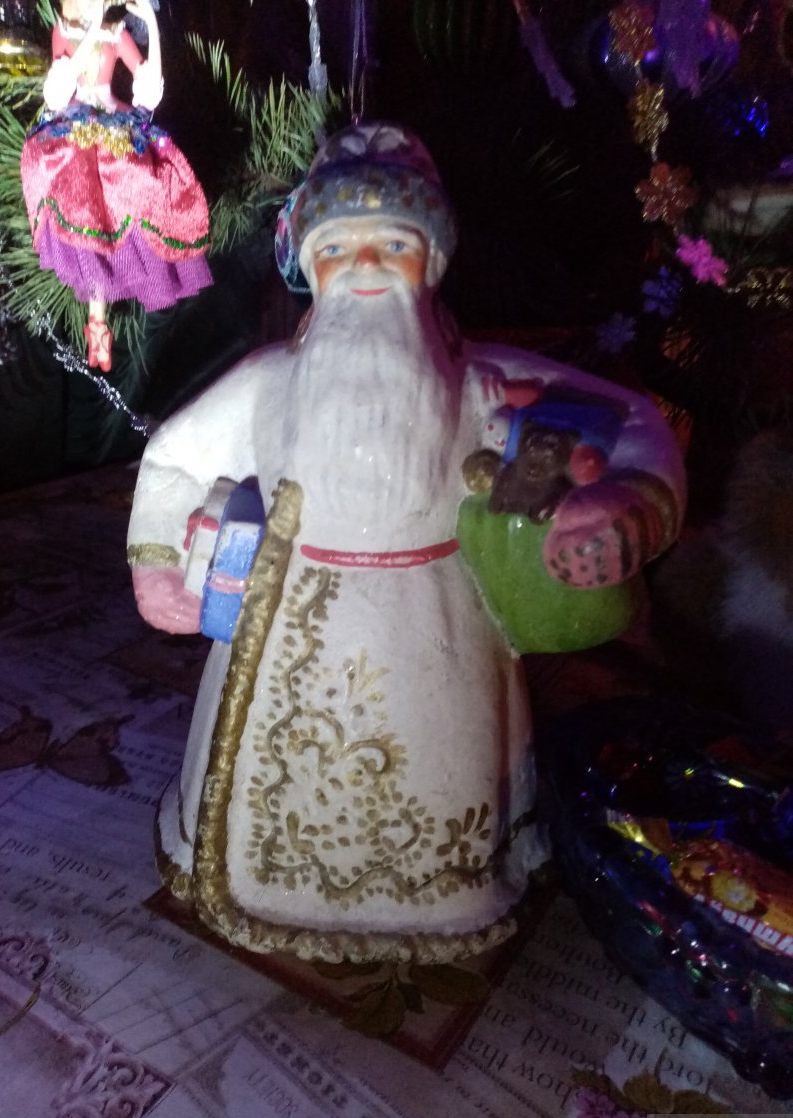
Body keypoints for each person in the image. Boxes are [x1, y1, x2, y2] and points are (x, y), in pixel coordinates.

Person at [127, 123, 686, 963]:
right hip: (283, 633)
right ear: (309, 267)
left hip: (441, 640)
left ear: (432, 259)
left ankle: (443, 892)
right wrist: (158, 564)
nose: (365, 264)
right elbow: (173, 455)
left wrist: (623, 505)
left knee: (440, 789)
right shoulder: (269, 385)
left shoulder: (486, 385)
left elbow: (633, 421)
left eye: (394, 243)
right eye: (336, 247)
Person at [20, 0, 212, 371]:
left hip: (113, 120)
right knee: (84, 215)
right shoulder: (65, 31)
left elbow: (148, 85)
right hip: (74, 123)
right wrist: (93, 30)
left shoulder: (117, 35)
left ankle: (107, 317)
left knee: (134, 182)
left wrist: (151, 23)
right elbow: (58, 91)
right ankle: (97, 324)